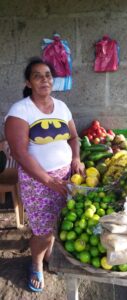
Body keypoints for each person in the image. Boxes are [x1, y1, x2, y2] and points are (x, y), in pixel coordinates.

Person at [5, 57, 85, 292]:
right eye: (37, 76)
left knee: (59, 221)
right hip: (38, 180)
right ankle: (36, 263)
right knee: (42, 229)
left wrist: (76, 158)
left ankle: (50, 252)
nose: (44, 80)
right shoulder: (20, 110)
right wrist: (49, 181)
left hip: (67, 176)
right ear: (28, 82)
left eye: (48, 75)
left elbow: (73, 137)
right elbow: (20, 154)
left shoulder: (61, 107)